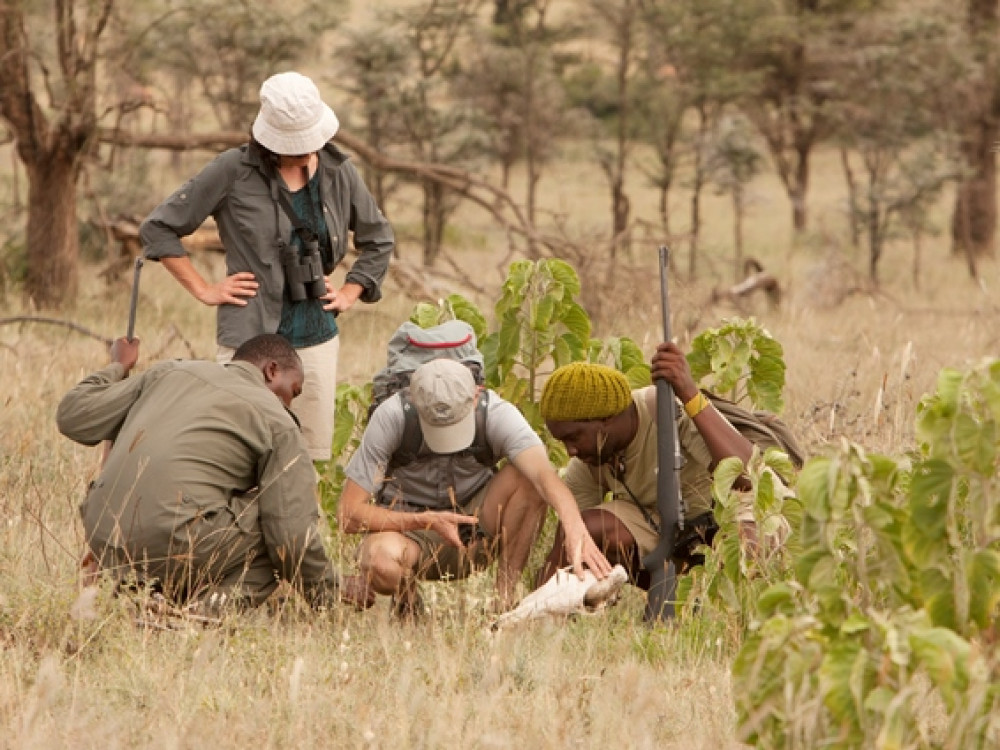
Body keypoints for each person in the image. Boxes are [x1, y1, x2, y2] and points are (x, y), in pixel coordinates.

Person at [140, 71, 394, 462]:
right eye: (297, 144)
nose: (309, 150)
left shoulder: (339, 170)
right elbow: (159, 228)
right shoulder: (232, 170)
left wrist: (350, 291)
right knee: (238, 453)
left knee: (308, 457)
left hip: (316, 333)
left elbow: (379, 238)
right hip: (249, 334)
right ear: (269, 141)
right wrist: (205, 289)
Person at [56, 333, 364, 611]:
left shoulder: (168, 372)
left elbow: (73, 415)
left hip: (103, 534)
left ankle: (150, 597)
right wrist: (330, 593)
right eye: (293, 391)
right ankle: (200, 614)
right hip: (172, 541)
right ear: (272, 371)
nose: (290, 403)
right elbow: (292, 539)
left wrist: (118, 367)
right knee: (277, 529)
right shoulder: (278, 421)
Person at [337, 358, 612, 617]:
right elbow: (348, 514)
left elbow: (544, 476)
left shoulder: (497, 413)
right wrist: (425, 521)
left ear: (477, 395)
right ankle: (407, 605)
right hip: (411, 536)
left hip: (476, 527)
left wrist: (576, 530)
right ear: (414, 401)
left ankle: (503, 605)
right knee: (380, 563)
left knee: (527, 478)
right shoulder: (392, 417)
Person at [536, 341, 773, 588]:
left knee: (747, 544)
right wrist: (530, 610)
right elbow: (572, 542)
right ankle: (675, 597)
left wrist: (690, 394)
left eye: (573, 438)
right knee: (583, 530)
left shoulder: (667, 411)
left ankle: (735, 606)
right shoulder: (587, 462)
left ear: (606, 418)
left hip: (728, 509)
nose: (570, 451)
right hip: (669, 534)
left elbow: (748, 478)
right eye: (562, 441)